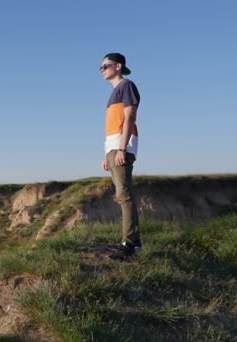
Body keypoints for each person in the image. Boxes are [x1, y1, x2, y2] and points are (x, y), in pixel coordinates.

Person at [100, 52, 142, 260]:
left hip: (121, 146)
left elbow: (129, 117)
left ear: (118, 66)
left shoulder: (127, 85)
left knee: (124, 195)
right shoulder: (115, 91)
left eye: (105, 66)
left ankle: (128, 245)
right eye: (101, 67)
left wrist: (122, 149)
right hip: (114, 146)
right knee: (124, 195)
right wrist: (107, 153)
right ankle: (135, 242)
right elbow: (113, 124)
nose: (102, 70)